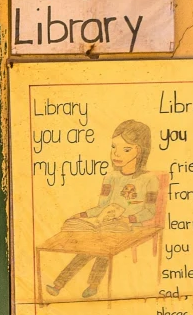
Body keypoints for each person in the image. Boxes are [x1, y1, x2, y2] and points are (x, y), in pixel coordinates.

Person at [44, 118, 161, 298]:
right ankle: (61, 284)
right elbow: (101, 207)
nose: (116, 154)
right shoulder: (110, 177)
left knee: (101, 249)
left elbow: (149, 212)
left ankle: (89, 284)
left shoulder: (149, 180)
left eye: (126, 149)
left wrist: (126, 219)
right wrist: (82, 215)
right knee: (88, 246)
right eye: (114, 147)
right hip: (105, 224)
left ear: (139, 150)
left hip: (130, 227)